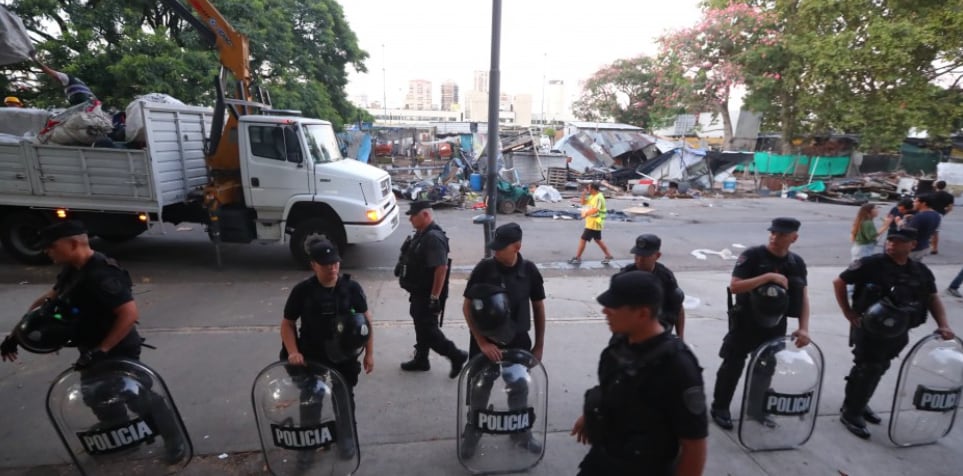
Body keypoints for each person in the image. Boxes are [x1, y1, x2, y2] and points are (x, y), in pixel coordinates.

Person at [0, 220, 185, 462]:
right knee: (96, 393)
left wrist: (102, 350)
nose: (47, 251)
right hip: (91, 345)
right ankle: (122, 436)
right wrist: (16, 335)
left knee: (136, 394)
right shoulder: (73, 269)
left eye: (52, 246)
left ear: (74, 243)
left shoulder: (102, 273)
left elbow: (129, 314)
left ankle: (174, 440)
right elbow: (48, 300)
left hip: (117, 345)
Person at [571, 271, 707, 476]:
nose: (605, 311)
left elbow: (694, 446)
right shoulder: (619, 345)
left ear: (643, 313)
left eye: (615, 306)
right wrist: (589, 416)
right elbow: (614, 386)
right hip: (605, 458)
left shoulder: (678, 366)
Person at [832, 227, 955, 439]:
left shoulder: (920, 271)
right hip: (869, 328)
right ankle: (851, 412)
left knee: (880, 367)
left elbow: (932, 298)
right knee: (867, 367)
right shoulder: (872, 264)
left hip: (898, 330)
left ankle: (859, 402)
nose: (891, 245)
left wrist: (944, 324)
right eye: (890, 240)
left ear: (912, 245)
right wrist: (848, 311)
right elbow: (839, 282)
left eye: (898, 242)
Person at [710, 217, 811, 430]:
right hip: (745, 321)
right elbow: (735, 287)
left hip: (775, 324)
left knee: (765, 368)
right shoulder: (753, 256)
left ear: (794, 237)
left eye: (782, 234)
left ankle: (756, 410)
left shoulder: (796, 263)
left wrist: (804, 327)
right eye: (773, 232)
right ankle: (720, 407)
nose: (775, 237)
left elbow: (802, 297)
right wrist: (768, 277)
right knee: (732, 365)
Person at [280, 238, 373, 462]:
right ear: (313, 265)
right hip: (312, 354)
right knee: (311, 398)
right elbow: (288, 323)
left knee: (343, 398)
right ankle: (309, 445)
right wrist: (293, 351)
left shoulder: (351, 289)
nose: (332, 268)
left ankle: (346, 437)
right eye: (326, 264)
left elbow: (365, 322)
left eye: (335, 263)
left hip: (344, 356)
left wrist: (369, 353)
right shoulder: (302, 291)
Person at [460, 222, 547, 459]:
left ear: (517, 246)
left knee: (518, 385)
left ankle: (520, 433)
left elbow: (538, 308)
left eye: (501, 247)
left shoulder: (529, 271)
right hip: (485, 339)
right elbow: (467, 306)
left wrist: (539, 346)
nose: (496, 252)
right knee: (480, 386)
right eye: (495, 247)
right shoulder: (484, 269)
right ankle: (474, 429)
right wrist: (482, 343)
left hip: (517, 338)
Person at [395, 200, 467, 376]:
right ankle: (422, 359)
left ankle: (456, 355)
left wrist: (434, 298)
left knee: (429, 330)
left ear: (425, 215)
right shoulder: (422, 234)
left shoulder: (433, 238)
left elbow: (441, 269)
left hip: (429, 293)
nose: (410, 219)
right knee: (421, 325)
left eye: (413, 215)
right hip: (419, 291)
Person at [618, 234, 687, 340]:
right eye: (637, 255)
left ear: (657, 256)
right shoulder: (625, 276)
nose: (639, 260)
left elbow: (678, 308)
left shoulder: (666, 277)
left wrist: (680, 337)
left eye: (645, 256)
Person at [569, 182, 614, 265]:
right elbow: (583, 203)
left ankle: (578, 257)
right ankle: (608, 255)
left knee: (583, 239)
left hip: (595, 223)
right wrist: (583, 194)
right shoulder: (592, 196)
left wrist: (585, 214)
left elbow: (596, 209)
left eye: (588, 188)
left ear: (593, 189)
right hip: (591, 222)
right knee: (598, 240)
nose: (587, 189)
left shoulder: (599, 197)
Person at [905, 194, 940, 261]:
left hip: (914, 249)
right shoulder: (936, 215)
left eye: (916, 201)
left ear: (923, 203)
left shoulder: (919, 216)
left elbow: (908, 233)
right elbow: (933, 231)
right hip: (924, 246)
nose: (913, 203)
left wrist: (900, 223)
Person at [928, 180, 954, 254]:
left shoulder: (931, 194)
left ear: (936, 186)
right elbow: (950, 208)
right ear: (945, 186)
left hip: (929, 212)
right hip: (939, 214)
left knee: (925, 229)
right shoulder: (949, 196)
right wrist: (943, 213)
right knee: (936, 231)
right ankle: (934, 248)